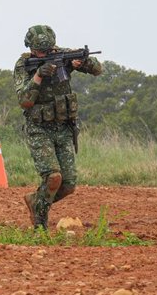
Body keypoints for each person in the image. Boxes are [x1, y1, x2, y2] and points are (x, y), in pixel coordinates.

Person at [13, 25, 102, 230]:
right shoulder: (23, 64)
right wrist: (38, 75)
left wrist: (83, 62)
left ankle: (36, 201)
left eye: (47, 50)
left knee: (68, 185)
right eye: (39, 51)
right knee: (53, 177)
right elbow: (25, 101)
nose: (44, 54)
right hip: (39, 128)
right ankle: (40, 225)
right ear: (31, 48)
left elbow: (98, 69)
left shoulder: (64, 54)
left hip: (63, 128)